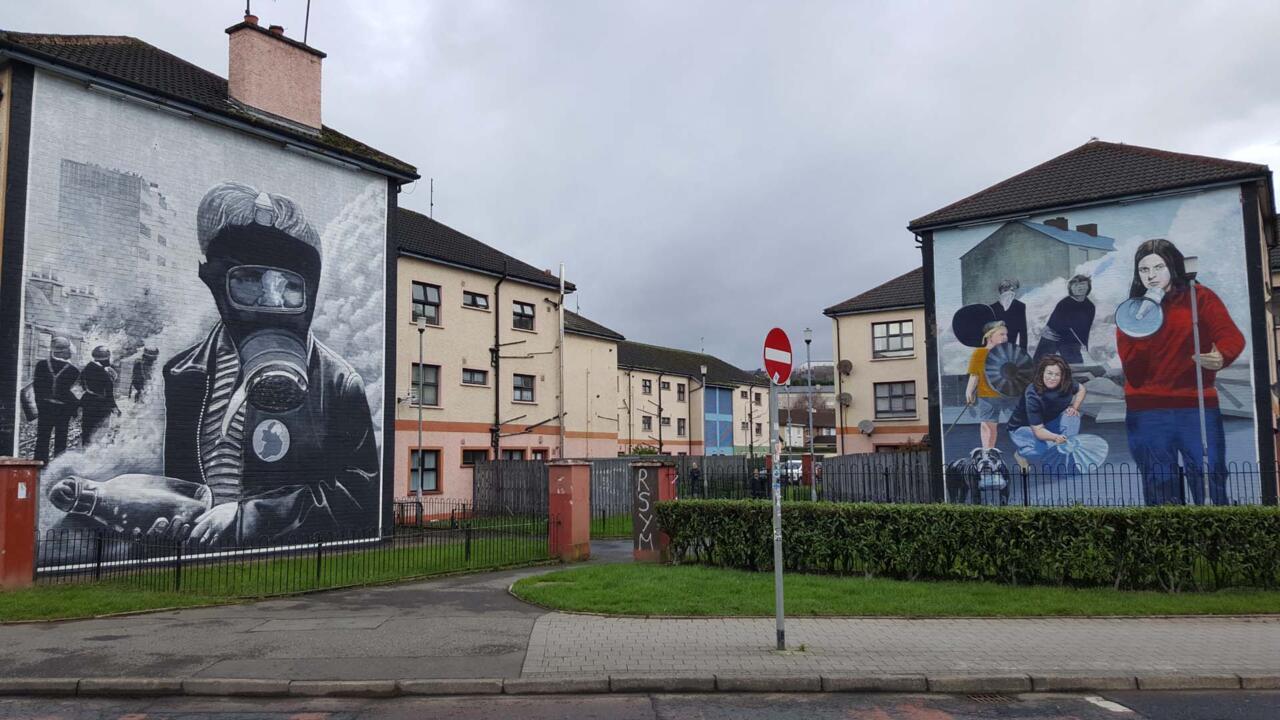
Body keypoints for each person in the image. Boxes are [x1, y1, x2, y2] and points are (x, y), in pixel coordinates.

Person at [152, 182, 380, 546]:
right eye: (249, 280)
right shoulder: (184, 374)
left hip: (279, 562)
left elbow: (361, 495)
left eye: (290, 286)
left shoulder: (337, 383)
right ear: (214, 282)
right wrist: (169, 521)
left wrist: (250, 518)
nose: (271, 301)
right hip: (199, 559)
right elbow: (180, 486)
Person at [1116, 238, 1244, 505]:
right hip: (1147, 411)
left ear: (1173, 266)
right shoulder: (1131, 312)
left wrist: (1222, 355)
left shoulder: (1200, 298)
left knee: (1209, 476)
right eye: (1144, 270)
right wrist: (1144, 324)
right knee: (1159, 482)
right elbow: (1134, 371)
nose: (1151, 276)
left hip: (1196, 406)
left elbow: (1231, 336)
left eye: (1158, 267)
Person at [1007, 355, 1087, 471]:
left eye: (1057, 374)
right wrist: (1056, 438)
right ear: (1042, 373)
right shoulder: (1033, 394)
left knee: (1072, 416)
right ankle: (1020, 454)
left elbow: (1081, 389)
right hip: (1024, 427)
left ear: (1062, 376)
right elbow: (1038, 431)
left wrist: (1075, 407)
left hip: (1049, 421)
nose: (1052, 378)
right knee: (1043, 449)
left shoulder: (1067, 384)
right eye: (1049, 373)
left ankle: (1065, 453)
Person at [965, 321, 1014, 451]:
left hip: (1009, 396)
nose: (1005, 337)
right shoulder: (979, 353)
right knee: (988, 427)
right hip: (987, 396)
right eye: (1001, 334)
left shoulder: (1008, 352)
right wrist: (969, 391)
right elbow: (974, 375)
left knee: (1017, 426)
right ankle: (988, 453)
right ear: (989, 336)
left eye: (1006, 334)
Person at [32, 337, 81, 462]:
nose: (70, 353)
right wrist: (74, 411)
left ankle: (39, 465)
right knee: (61, 438)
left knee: (42, 438)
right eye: (68, 350)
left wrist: (40, 406)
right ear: (63, 352)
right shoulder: (73, 370)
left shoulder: (41, 365)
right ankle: (57, 466)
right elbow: (73, 395)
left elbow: (37, 389)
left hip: (45, 408)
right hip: (63, 410)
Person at [1034, 275, 1095, 364]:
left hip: (1072, 342)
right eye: (1076, 285)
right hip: (1054, 337)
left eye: (1083, 284)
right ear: (1070, 288)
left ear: (1088, 287)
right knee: (1040, 363)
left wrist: (1084, 346)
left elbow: (1086, 330)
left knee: (1077, 365)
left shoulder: (1090, 306)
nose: (1079, 287)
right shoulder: (1064, 304)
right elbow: (1053, 325)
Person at [79, 346, 119, 445]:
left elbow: (82, 385)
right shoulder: (103, 372)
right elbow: (108, 393)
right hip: (101, 405)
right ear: (104, 359)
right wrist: (115, 407)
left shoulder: (88, 368)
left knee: (87, 429)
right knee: (99, 431)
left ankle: (85, 448)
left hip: (88, 402)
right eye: (108, 358)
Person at [989, 279, 1028, 352]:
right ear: (1001, 292)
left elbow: (1023, 332)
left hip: (1011, 348)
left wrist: (1023, 352)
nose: (1009, 293)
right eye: (1005, 290)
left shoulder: (1020, 306)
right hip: (995, 348)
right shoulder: (992, 308)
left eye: (1011, 290)